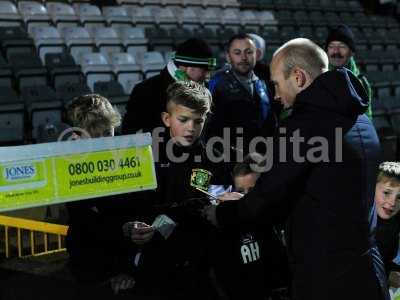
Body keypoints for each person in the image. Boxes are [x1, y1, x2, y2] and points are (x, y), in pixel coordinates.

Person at [203, 38, 389, 300]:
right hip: (367, 267)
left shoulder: (305, 127)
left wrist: (223, 213)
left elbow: (268, 197)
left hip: (327, 276)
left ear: (299, 77)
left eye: (277, 84)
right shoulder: (361, 119)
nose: (276, 96)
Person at [122, 80, 231, 300]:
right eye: (183, 120)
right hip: (154, 259)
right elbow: (130, 206)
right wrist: (130, 226)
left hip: (200, 258)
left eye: (198, 120)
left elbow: (218, 204)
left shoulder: (215, 156)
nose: (191, 127)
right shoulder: (146, 155)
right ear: (166, 118)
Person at [64, 94, 136, 297]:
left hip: (128, 255)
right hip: (91, 262)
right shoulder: (68, 166)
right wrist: (116, 272)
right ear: (77, 136)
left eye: (108, 133)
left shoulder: (129, 159)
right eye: (95, 137)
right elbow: (86, 225)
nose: (105, 142)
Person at [212, 153, 289, 300]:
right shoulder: (229, 226)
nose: (245, 199)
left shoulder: (283, 218)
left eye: (252, 192)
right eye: (241, 192)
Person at [122, 38, 216, 135]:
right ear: (188, 67)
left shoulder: (205, 88)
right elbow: (129, 134)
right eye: (205, 70)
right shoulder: (145, 90)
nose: (207, 76)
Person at [206, 33, 278, 157]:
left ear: (257, 55)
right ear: (228, 57)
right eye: (237, 53)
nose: (243, 57)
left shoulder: (263, 84)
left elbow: (270, 123)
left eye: (249, 52)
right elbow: (206, 127)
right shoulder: (215, 83)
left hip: (261, 159)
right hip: (227, 161)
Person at [325, 24, 373, 118]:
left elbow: (368, 119)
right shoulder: (316, 77)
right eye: (331, 46)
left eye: (342, 47)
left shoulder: (362, 83)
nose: (336, 52)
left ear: (351, 52)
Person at [374, 162, 400, 283]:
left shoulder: (393, 226)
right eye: (386, 193)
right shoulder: (358, 223)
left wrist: (390, 272)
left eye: (399, 197)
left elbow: (386, 260)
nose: (393, 203)